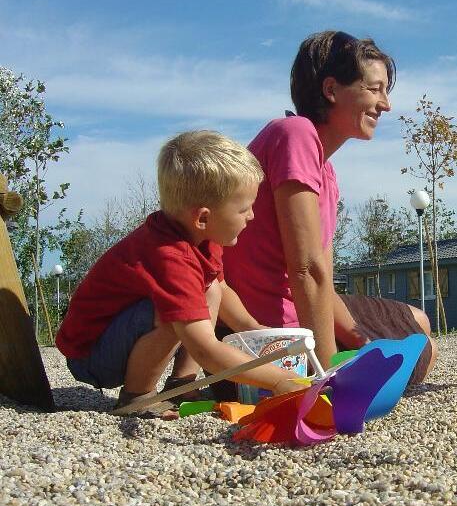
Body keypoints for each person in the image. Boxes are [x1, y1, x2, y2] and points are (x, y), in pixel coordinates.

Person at [223, 30, 436, 383]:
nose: (386, 105)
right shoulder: (295, 134)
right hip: (271, 331)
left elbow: (322, 275)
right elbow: (305, 268)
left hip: (300, 310)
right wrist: (327, 372)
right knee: (425, 347)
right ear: (331, 89)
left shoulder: (325, 169)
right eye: (374, 88)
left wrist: (359, 336)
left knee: (419, 320)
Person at [56, 131, 304, 417]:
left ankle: (182, 383)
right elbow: (205, 349)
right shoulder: (171, 256)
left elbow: (220, 290)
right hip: (91, 357)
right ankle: (136, 398)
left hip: (119, 336)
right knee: (172, 312)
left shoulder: (203, 238)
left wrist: (253, 328)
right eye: (244, 208)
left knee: (209, 288)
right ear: (202, 217)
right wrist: (279, 380)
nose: (252, 216)